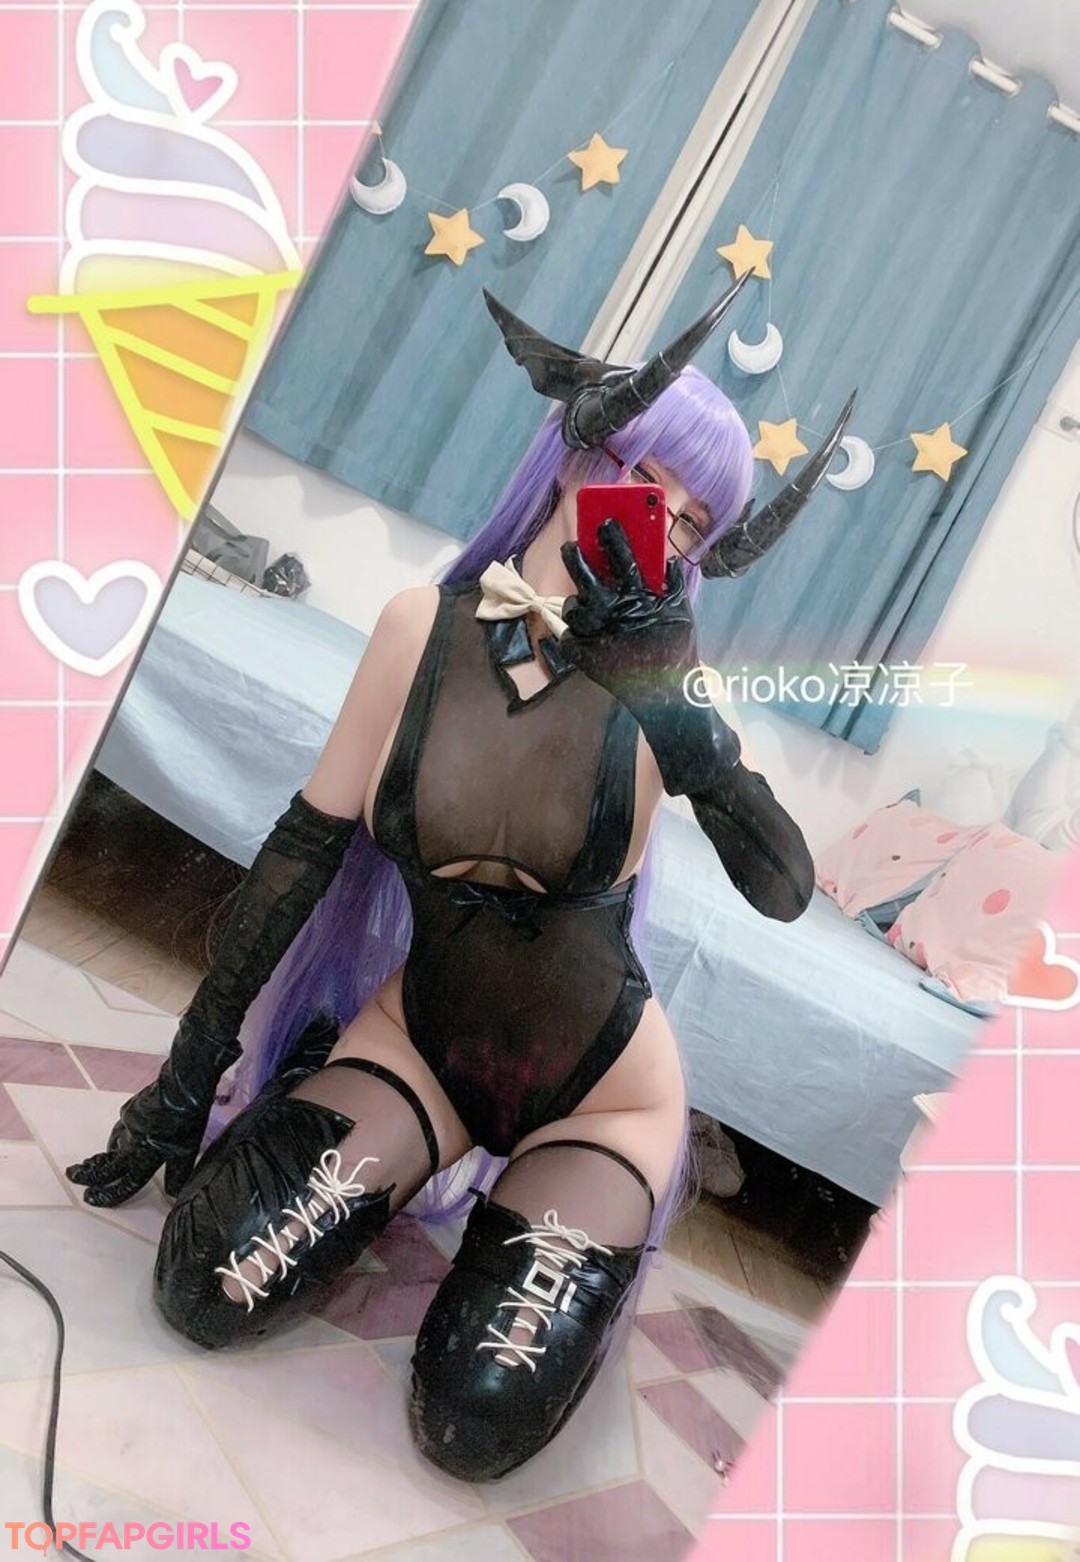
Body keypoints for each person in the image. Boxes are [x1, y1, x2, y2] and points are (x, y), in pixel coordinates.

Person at [66, 276, 854, 1482]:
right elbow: (296, 861)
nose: (660, 524)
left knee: (473, 1421)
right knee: (207, 1283)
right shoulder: (415, 631)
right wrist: (181, 1080)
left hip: (599, 1101)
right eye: (646, 482)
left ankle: (514, 1220)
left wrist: (674, 709)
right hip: (421, 1048)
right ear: (575, 455)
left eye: (691, 524)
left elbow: (786, 887)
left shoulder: (667, 691)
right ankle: (411, 1164)